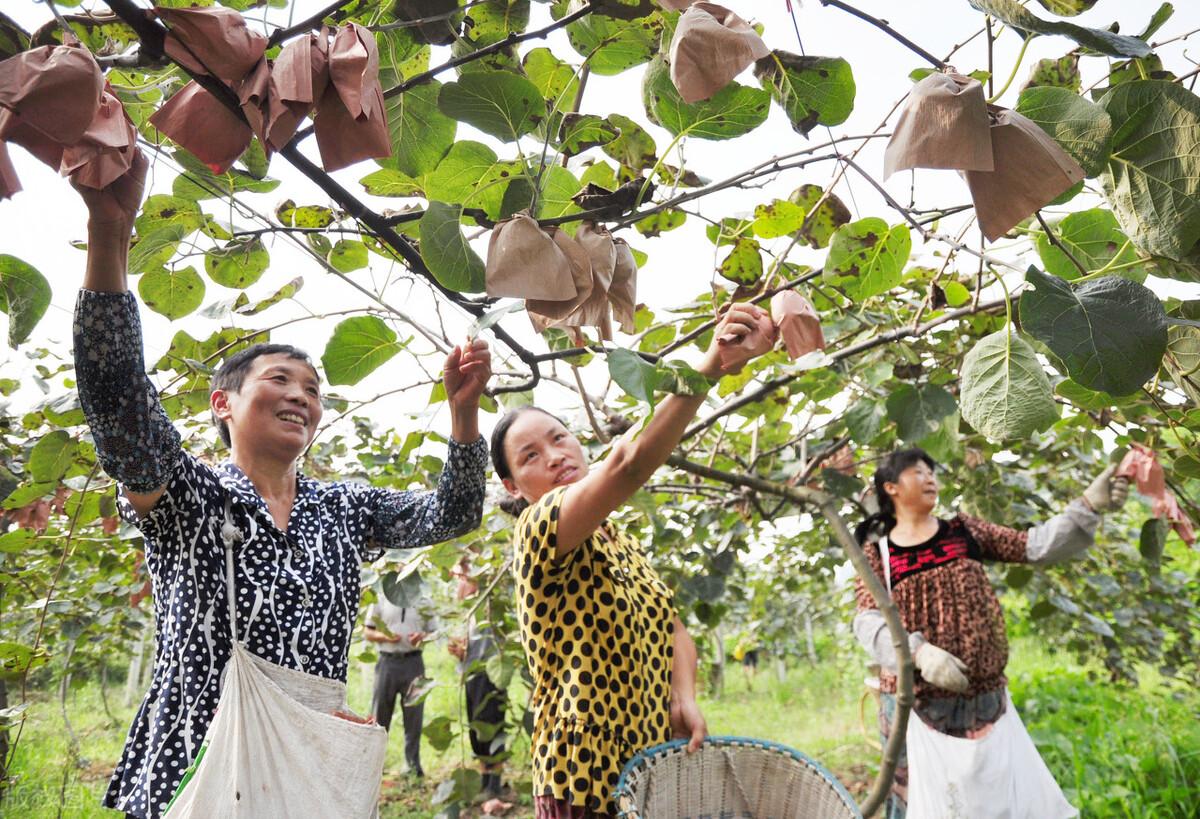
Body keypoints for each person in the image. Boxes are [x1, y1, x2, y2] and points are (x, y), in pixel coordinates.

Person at [70, 154, 492, 818]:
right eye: (279, 380)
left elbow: (455, 511)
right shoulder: (191, 498)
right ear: (222, 403)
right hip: (196, 762)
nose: (302, 396)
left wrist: (464, 413)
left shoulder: (344, 507)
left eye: (314, 390)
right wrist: (109, 229)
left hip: (305, 771)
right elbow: (119, 405)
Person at [490, 303, 776, 817]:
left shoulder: (616, 539)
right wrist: (711, 364)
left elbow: (673, 629)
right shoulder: (540, 530)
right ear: (513, 487)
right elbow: (625, 463)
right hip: (580, 778)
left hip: (643, 766)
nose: (555, 455)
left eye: (559, 437)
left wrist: (682, 696)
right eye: (530, 456)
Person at [851, 448, 1128, 819]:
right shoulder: (877, 555)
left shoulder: (964, 530)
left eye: (932, 471)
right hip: (914, 706)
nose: (931, 477)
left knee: (995, 802)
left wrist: (1088, 506)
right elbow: (868, 622)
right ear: (891, 488)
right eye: (918, 472)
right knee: (918, 802)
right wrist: (918, 653)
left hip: (985, 699)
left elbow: (1034, 546)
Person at [448, 556, 512, 813]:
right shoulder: (466, 608)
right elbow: (459, 640)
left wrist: (467, 569)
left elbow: (482, 580)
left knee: (493, 725)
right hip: (471, 672)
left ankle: (494, 788)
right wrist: (457, 649)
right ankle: (487, 784)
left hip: (491, 671)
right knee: (476, 728)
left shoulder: (491, 595)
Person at [364, 584, 437, 778]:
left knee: (414, 716)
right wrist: (385, 637)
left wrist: (423, 637)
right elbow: (368, 631)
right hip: (387, 663)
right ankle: (373, 768)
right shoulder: (382, 596)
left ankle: (413, 767)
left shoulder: (424, 600)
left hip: (414, 662)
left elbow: (434, 633)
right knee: (380, 716)